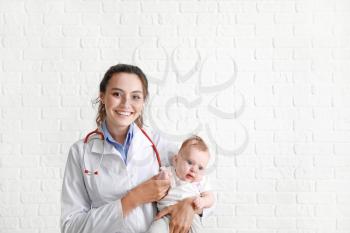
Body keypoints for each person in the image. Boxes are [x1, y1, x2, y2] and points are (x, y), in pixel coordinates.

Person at [60, 64, 207, 233]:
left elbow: (201, 187)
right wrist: (131, 200)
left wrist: (189, 205)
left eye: (135, 97)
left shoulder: (160, 145)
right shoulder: (80, 152)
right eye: (116, 94)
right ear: (102, 96)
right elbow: (70, 227)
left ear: (143, 101)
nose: (125, 104)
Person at [148, 136, 215, 233]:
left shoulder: (200, 181)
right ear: (175, 160)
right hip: (165, 216)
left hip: (191, 217)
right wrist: (162, 178)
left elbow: (211, 198)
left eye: (200, 168)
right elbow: (157, 188)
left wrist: (203, 201)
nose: (194, 169)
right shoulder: (169, 172)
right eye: (190, 162)